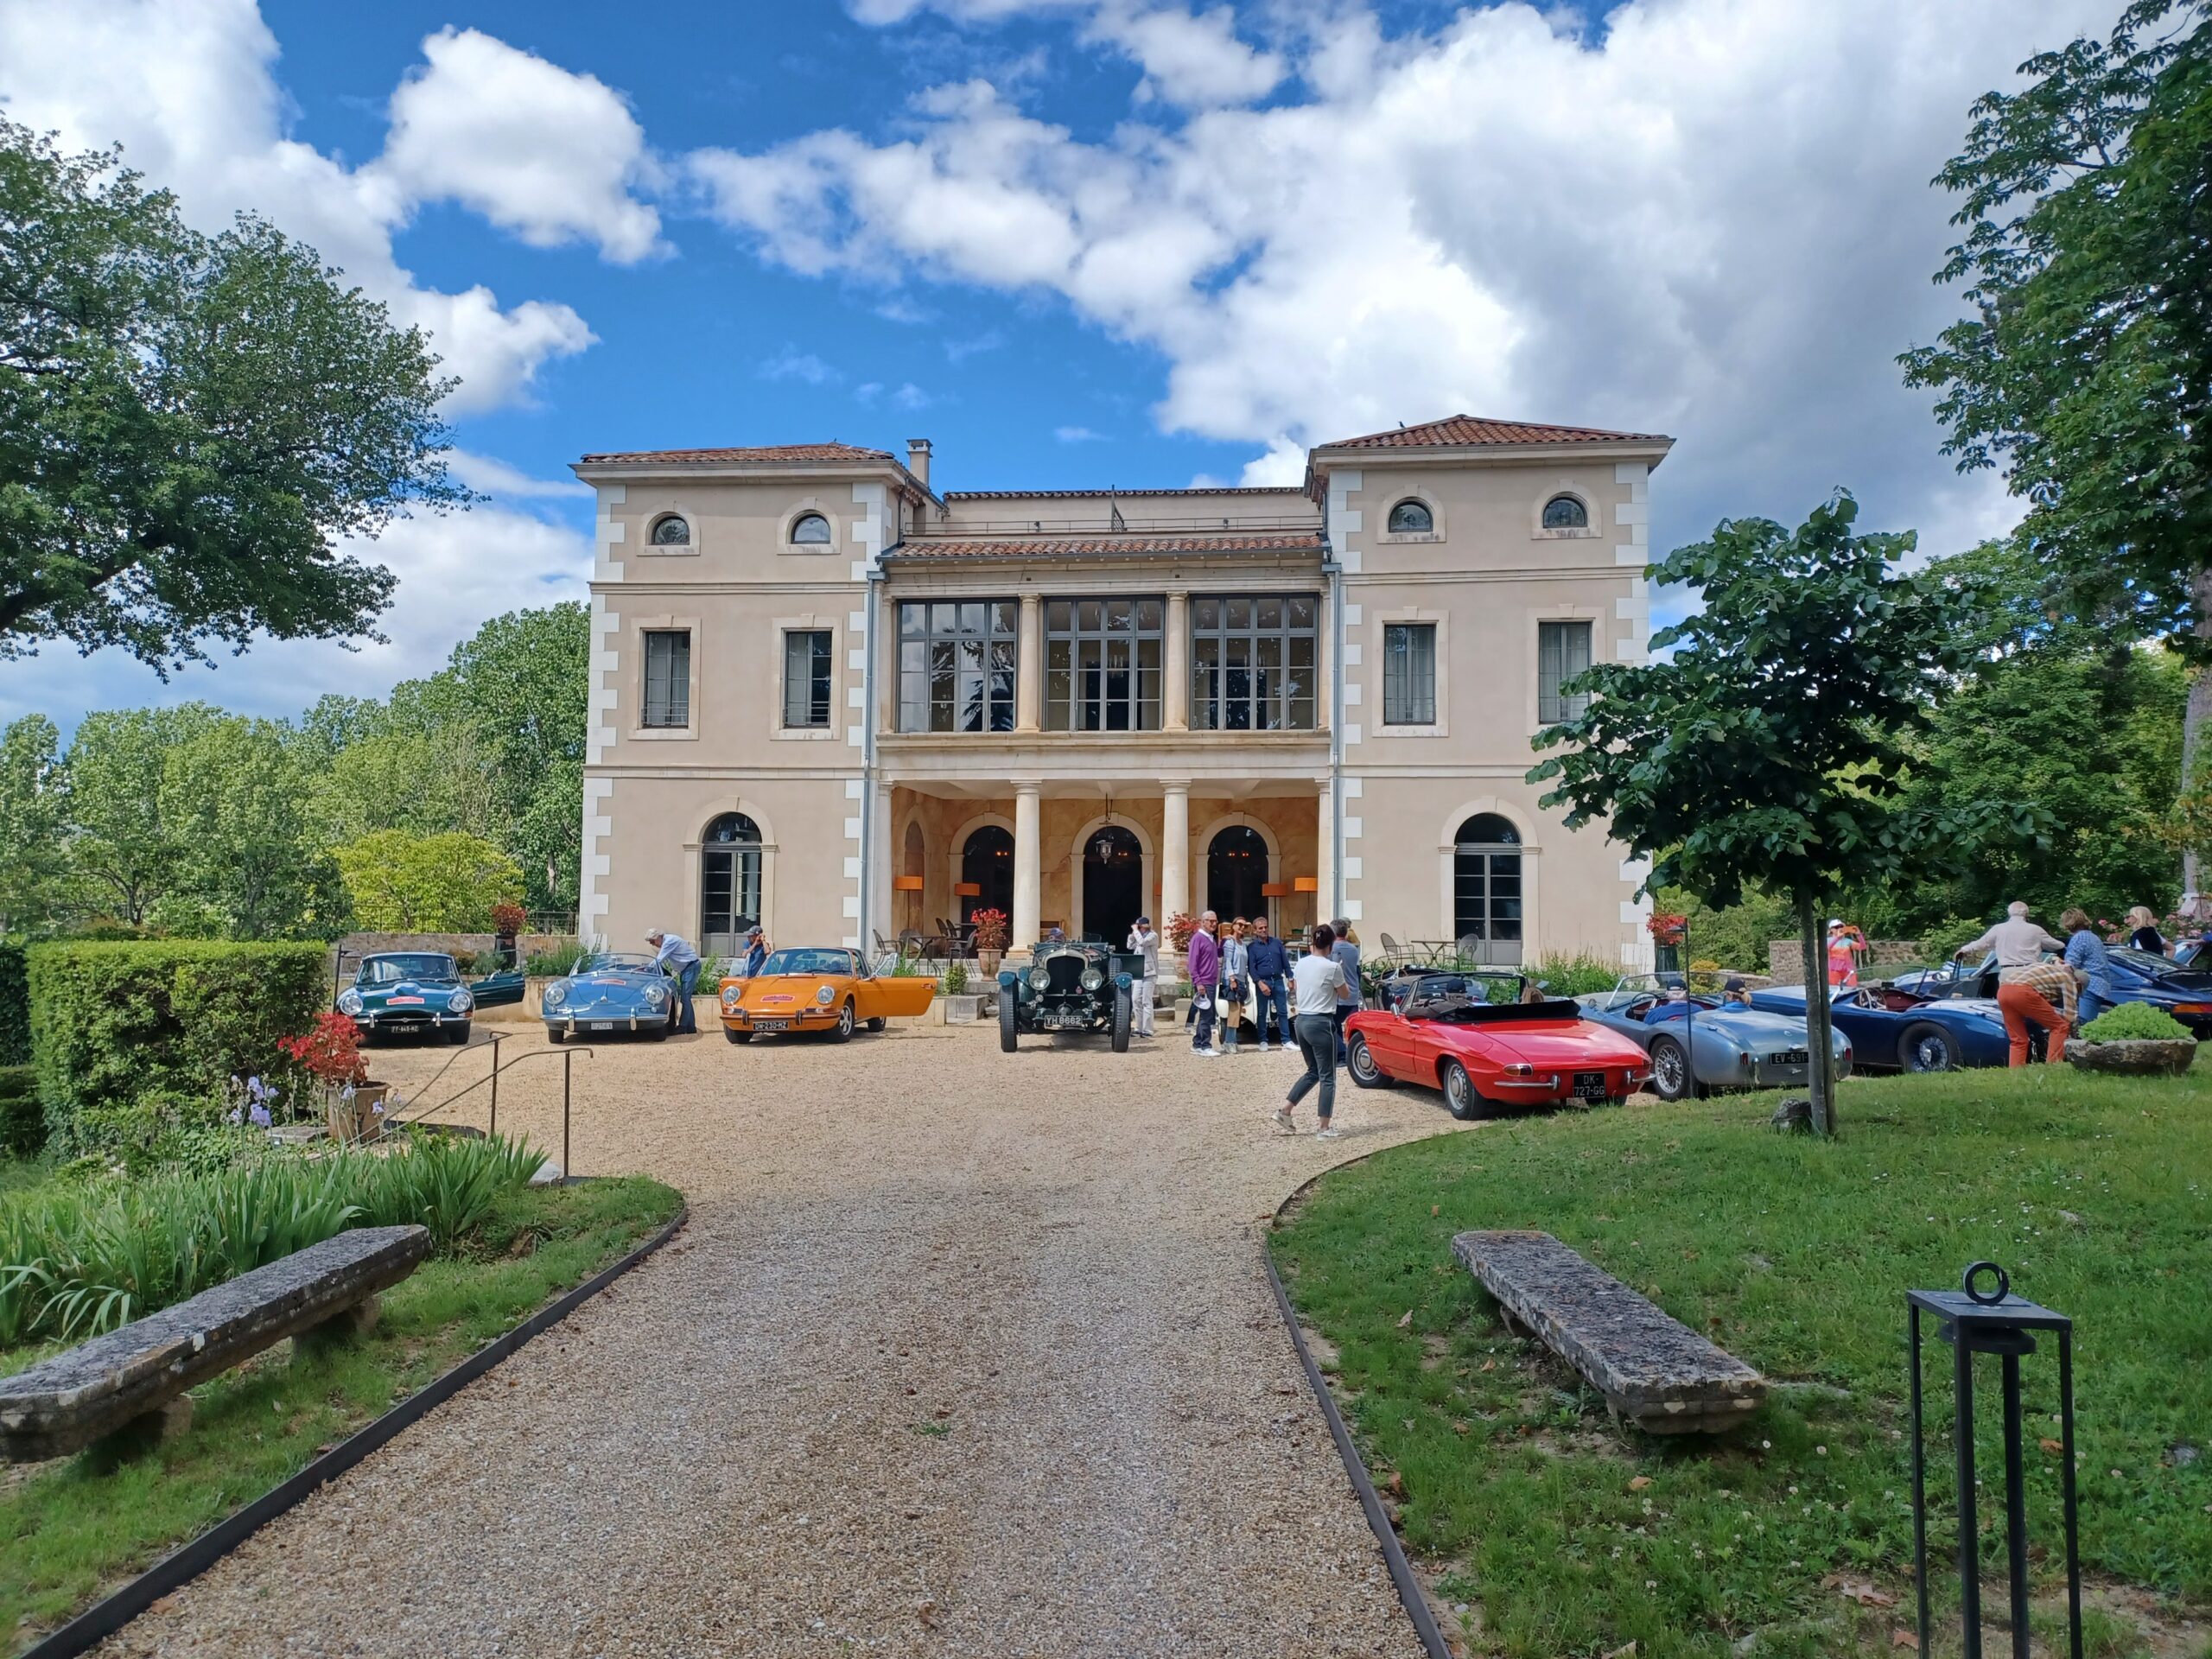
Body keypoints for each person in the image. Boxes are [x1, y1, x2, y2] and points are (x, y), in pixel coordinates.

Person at [1274, 924, 1351, 1141]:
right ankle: (1324, 1128)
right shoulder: (1333, 967)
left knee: (1314, 1071)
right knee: (1328, 1076)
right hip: (1321, 1021)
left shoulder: (1301, 963)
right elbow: (1345, 994)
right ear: (1331, 945)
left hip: (1302, 1020)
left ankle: (1285, 1110)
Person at [1995, 957, 2082, 1067]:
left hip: (2003, 991)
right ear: (2078, 983)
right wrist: (2075, 1034)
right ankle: (2053, 1066)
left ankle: (2015, 1071)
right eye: (2079, 990)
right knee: (2060, 1027)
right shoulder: (2069, 980)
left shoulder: (2047, 969)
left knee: (2018, 1039)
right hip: (2023, 992)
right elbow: (2070, 1015)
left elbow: (2043, 1007)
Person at [1955, 902, 2065, 982]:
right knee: (2029, 1002)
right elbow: (2058, 945)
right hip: (2030, 972)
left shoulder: (1998, 929)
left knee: (2007, 1004)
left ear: (2009, 913)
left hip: (2008, 973)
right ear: (2026, 914)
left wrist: (1964, 950)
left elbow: (1981, 944)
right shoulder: (2036, 930)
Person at [2059, 907, 2114, 1028]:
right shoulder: (2093, 937)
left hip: (2088, 985)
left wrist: (2056, 965)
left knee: (2084, 1026)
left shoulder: (2079, 938)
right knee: (2089, 1024)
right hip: (2100, 984)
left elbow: (2070, 965)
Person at [1247, 915, 1292, 1051]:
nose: (1264, 930)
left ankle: (1286, 1040)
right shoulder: (1252, 947)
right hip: (1263, 981)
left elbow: (1285, 962)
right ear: (1255, 931)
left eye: (1265, 927)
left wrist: (1290, 978)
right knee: (1262, 1013)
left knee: (1283, 1012)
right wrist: (1260, 984)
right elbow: (1252, 968)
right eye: (1260, 928)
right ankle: (1263, 1040)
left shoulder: (1277, 943)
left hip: (1278, 980)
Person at [646, 928, 702, 1034]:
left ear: (658, 937)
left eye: (652, 941)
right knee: (686, 998)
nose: (652, 944)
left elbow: (659, 960)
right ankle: (691, 1027)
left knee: (685, 998)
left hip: (690, 967)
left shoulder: (668, 942)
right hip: (687, 968)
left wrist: (646, 969)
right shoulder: (668, 941)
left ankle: (683, 1027)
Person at [1188, 911, 1222, 1058]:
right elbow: (1192, 962)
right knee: (1207, 1015)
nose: (1214, 923)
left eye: (1215, 921)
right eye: (1210, 921)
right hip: (1204, 982)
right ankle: (1205, 1045)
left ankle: (1198, 1043)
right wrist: (1198, 982)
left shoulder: (1211, 939)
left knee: (1206, 1015)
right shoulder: (1198, 938)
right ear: (1203, 922)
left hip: (1211, 981)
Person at [1329, 917, 1361, 1064]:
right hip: (1353, 993)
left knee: (1332, 1025)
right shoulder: (1353, 949)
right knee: (1353, 1027)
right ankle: (1353, 1053)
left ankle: (1342, 1054)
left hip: (1339, 994)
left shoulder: (1332, 949)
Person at [1218, 920, 1250, 1054]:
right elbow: (1228, 961)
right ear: (1233, 926)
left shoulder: (1243, 944)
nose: (1242, 927)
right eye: (1240, 924)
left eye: (1244, 926)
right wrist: (1232, 979)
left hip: (1241, 979)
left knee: (1237, 1012)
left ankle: (1232, 1040)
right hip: (1233, 979)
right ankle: (1228, 1042)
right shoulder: (1229, 943)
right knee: (1234, 1011)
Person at [1126, 915, 1160, 1038]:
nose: (1138, 929)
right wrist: (1132, 934)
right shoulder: (1138, 935)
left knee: (1146, 1001)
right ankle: (1139, 1027)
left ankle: (1148, 1029)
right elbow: (1129, 946)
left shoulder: (1153, 936)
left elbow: (1143, 943)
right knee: (1135, 1000)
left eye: (1139, 927)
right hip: (1138, 972)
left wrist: (1136, 931)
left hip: (1149, 972)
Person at [1825, 919, 1867, 988]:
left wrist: (1859, 935)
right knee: (1834, 989)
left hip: (1848, 971)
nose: (1839, 928)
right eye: (1836, 927)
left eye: (1841, 926)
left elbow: (1863, 947)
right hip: (1834, 971)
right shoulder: (1827, 940)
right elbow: (1827, 948)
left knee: (1852, 989)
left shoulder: (1848, 941)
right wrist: (1837, 938)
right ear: (1831, 930)